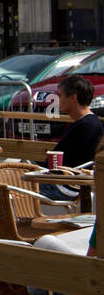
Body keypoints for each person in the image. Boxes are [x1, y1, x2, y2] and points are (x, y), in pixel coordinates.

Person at [40, 74, 103, 202]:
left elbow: (66, 165)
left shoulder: (86, 126)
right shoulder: (89, 123)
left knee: (3, 185)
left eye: (60, 96)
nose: (57, 100)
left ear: (73, 98)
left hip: (65, 187)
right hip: (66, 183)